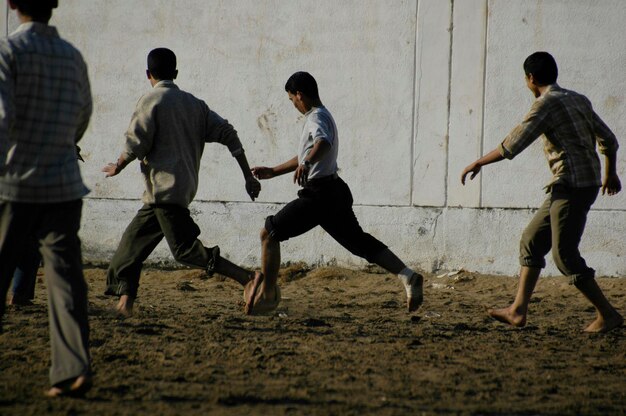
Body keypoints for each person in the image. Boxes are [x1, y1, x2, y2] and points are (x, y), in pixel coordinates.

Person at [461, 51, 623, 333]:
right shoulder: (578, 99)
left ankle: (607, 314)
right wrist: (609, 173)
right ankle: (517, 310)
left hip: (571, 186)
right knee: (532, 241)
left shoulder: (544, 105)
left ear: (531, 78)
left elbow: (513, 143)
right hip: (578, 184)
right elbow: (608, 139)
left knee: (564, 256)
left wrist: (478, 162)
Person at [246, 71, 423, 315]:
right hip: (333, 192)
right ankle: (408, 276)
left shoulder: (316, 117)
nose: (293, 105)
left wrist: (306, 164)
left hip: (318, 195)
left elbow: (323, 143)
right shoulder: (322, 115)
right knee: (358, 242)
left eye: (292, 100)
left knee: (269, 233)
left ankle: (267, 296)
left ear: (300, 95)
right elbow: (307, 153)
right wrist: (274, 171)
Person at [103, 48, 262, 317]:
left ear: (147, 74)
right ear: (175, 74)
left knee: (185, 250)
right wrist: (247, 175)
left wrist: (119, 165)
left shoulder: (151, 100)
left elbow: (136, 140)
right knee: (128, 251)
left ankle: (247, 278)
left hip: (166, 193)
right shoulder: (194, 105)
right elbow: (228, 133)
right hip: (166, 195)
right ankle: (125, 304)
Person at [0, 0, 93, 397]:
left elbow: (2, 120)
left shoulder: (8, 52)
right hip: (64, 186)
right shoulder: (72, 56)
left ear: (11, 4)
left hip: (15, 182)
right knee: (65, 280)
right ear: (53, 5)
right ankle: (73, 369)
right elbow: (82, 117)